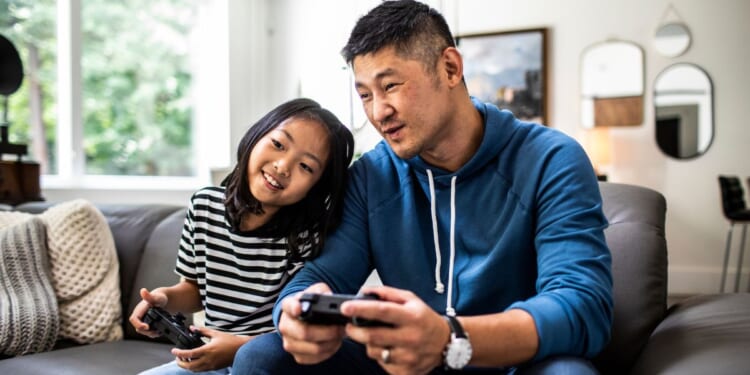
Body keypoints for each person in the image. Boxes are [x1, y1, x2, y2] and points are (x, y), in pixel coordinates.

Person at [233, 0, 613, 374]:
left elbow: (582, 305)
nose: (378, 112)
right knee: (263, 356)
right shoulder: (370, 175)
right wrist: (298, 310)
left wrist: (450, 338)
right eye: (365, 94)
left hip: (512, 363)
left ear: (449, 68)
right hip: (403, 364)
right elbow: (322, 276)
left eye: (391, 85)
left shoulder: (552, 159)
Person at [129, 98, 355, 375]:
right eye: (278, 144)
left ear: (316, 187)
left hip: (269, 361)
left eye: (306, 166)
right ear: (256, 136)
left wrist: (239, 348)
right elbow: (193, 290)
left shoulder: (306, 235)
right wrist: (163, 298)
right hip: (209, 355)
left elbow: (298, 327)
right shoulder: (204, 206)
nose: (283, 167)